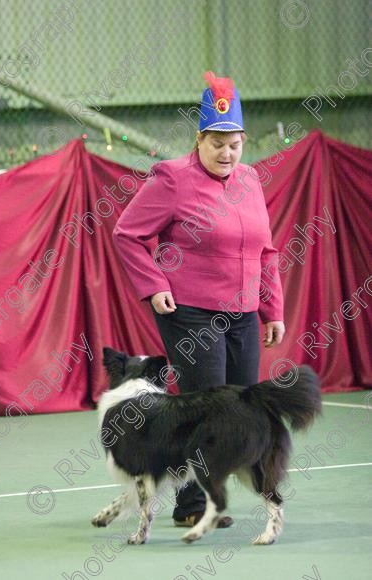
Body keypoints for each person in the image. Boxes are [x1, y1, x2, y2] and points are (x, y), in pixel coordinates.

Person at [113, 71, 285, 529]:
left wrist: (272, 308)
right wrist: (154, 284)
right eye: (217, 144)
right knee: (202, 405)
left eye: (235, 144)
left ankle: (209, 495)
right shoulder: (172, 179)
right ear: (199, 139)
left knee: (238, 408)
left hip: (244, 313)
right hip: (190, 312)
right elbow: (127, 233)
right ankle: (189, 504)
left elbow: (265, 252)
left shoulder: (250, 180)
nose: (227, 154)